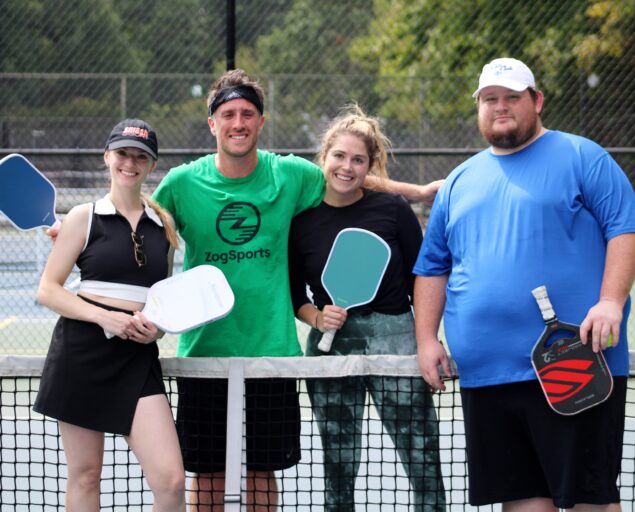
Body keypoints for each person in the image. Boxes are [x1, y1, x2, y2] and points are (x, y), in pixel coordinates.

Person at [149, 69, 441, 511]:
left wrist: (415, 191)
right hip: (203, 352)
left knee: (261, 472)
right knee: (207, 474)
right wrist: (76, 229)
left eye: (248, 113)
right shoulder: (181, 183)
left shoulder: (289, 173)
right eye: (228, 114)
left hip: (274, 353)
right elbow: (138, 222)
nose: (238, 122)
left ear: (261, 122)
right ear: (213, 123)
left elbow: (348, 175)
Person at [413, 58, 635, 512]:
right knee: (522, 503)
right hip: (487, 375)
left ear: (536, 101)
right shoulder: (459, 180)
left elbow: (625, 229)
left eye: (512, 98)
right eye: (490, 99)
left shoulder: (583, 156)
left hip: (574, 363)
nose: (500, 107)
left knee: (590, 502)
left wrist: (610, 302)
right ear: (479, 108)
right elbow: (433, 266)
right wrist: (426, 338)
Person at [288, 104, 446, 511]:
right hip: (330, 346)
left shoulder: (392, 210)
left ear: (370, 167)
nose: (346, 166)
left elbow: (422, 281)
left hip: (395, 340)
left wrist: (428, 339)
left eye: (358, 159)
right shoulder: (300, 220)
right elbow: (294, 295)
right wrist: (317, 317)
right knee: (338, 464)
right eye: (339, 156)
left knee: (422, 458)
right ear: (324, 158)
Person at [33, 119, 185, 511]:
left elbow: (156, 300)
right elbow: (48, 290)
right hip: (81, 355)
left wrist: (156, 330)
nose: (130, 163)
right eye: (122, 153)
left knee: (170, 480)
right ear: (107, 157)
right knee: (86, 476)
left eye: (140, 156)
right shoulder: (83, 217)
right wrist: (106, 318)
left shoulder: (163, 227)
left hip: (137, 360)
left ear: (151, 166)